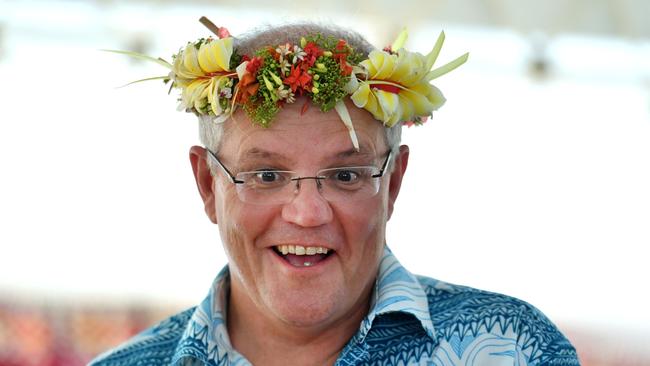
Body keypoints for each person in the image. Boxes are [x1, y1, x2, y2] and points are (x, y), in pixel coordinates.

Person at [91, 18, 579, 366]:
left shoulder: (512, 349)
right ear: (207, 185)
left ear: (393, 183)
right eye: (266, 176)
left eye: (346, 176)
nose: (306, 213)